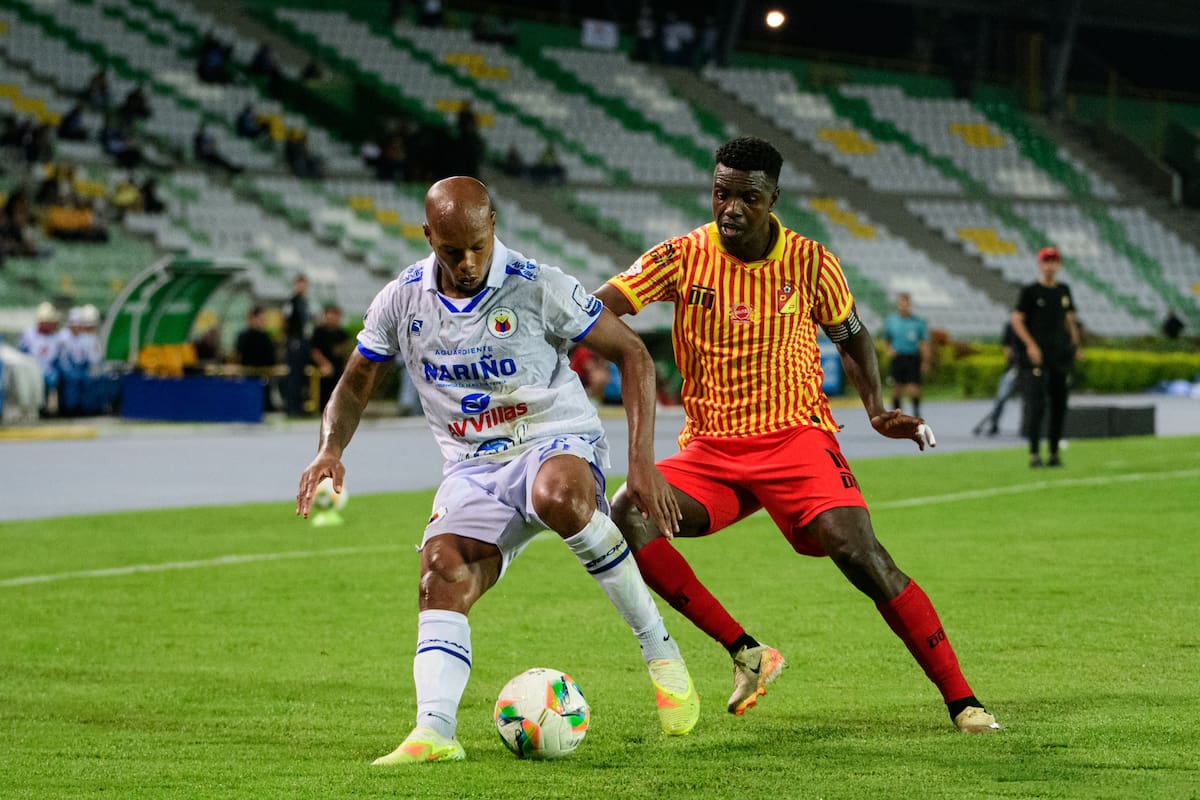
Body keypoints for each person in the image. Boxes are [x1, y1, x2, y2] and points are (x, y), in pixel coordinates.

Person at [592, 136, 999, 733]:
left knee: (860, 554)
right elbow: (596, 308)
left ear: (773, 199)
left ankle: (963, 701)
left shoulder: (811, 263)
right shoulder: (681, 256)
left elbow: (851, 335)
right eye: (721, 193)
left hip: (796, 437)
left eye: (747, 197)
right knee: (629, 509)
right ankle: (747, 652)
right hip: (712, 450)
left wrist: (876, 409)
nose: (730, 208)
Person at [295, 176, 700, 765]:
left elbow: (634, 355)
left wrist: (641, 464)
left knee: (559, 495)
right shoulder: (401, 300)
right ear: (427, 236)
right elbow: (356, 382)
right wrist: (330, 449)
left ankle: (660, 652)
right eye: (451, 250)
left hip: (554, 439)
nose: (466, 263)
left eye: (477, 247)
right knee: (440, 572)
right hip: (472, 465)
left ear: (493, 226)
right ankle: (435, 731)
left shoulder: (538, 285)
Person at [1011, 246, 1080, 468]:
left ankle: (1054, 452)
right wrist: (1031, 345)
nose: (1050, 266)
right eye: (1046, 261)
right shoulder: (1030, 292)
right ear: (1040, 264)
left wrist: (1075, 342)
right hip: (1037, 358)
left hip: (1059, 356)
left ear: (1059, 265)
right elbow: (1017, 320)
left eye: (1054, 261)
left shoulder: (1063, 291)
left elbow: (1069, 318)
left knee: (1059, 405)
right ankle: (1034, 454)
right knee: (1036, 406)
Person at [882, 292, 929, 418]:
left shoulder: (917, 322)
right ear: (898, 305)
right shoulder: (891, 321)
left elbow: (924, 343)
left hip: (912, 357)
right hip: (898, 357)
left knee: (913, 388)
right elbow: (886, 339)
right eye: (901, 304)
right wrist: (889, 350)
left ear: (909, 305)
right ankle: (898, 416)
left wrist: (925, 361)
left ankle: (916, 413)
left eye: (906, 304)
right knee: (896, 388)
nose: (903, 306)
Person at [972, 322, 1023, 437]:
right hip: (1013, 368)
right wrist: (1013, 361)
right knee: (1001, 396)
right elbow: (1006, 347)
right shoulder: (1011, 326)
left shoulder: (1034, 324)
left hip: (1028, 369)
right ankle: (994, 423)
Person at [234, 305, 278, 412]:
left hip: (264, 377)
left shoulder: (266, 337)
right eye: (261, 319)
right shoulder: (243, 336)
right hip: (248, 377)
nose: (263, 322)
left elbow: (271, 358)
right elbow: (238, 356)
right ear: (253, 318)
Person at [308, 303, 350, 412]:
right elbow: (314, 352)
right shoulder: (319, 332)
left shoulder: (342, 334)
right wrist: (325, 364)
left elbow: (346, 353)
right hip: (322, 368)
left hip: (338, 368)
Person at [282, 275, 311, 417]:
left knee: (301, 374)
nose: (302, 287)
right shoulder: (292, 302)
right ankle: (292, 407)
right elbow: (285, 320)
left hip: (302, 341)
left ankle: (299, 406)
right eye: (300, 284)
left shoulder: (304, 302)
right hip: (294, 341)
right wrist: (289, 338)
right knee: (293, 375)